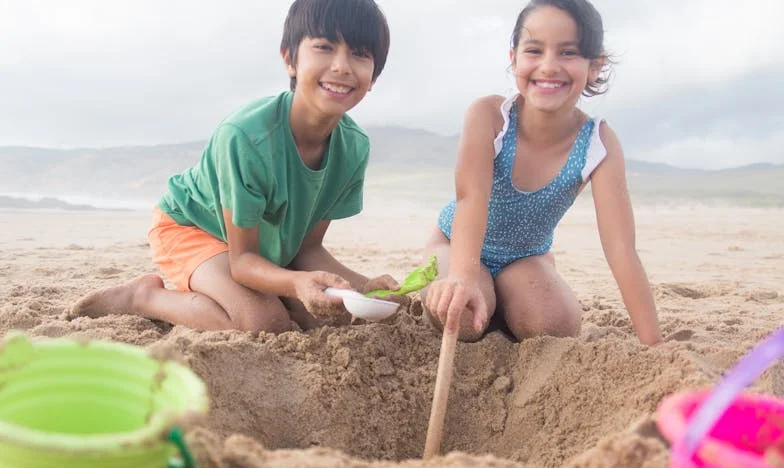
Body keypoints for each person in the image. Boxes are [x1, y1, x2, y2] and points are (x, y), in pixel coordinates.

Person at [69, 0, 399, 333]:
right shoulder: (246, 138)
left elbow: (307, 249)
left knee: (323, 316)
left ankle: (230, 296)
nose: (342, 66)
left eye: (360, 54)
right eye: (324, 48)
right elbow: (242, 263)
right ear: (290, 59)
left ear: (373, 77)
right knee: (264, 322)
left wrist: (363, 286)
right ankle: (143, 297)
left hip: (256, 248)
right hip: (192, 227)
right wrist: (296, 284)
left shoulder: (354, 148)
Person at [422, 0, 662, 345]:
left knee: (555, 324)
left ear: (595, 66)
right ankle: (478, 291)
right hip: (456, 243)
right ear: (514, 58)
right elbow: (470, 197)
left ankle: (504, 295)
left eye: (568, 53)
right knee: (458, 315)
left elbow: (621, 248)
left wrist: (653, 343)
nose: (549, 66)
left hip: (525, 257)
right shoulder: (489, 116)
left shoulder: (599, 144)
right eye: (534, 50)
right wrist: (462, 276)